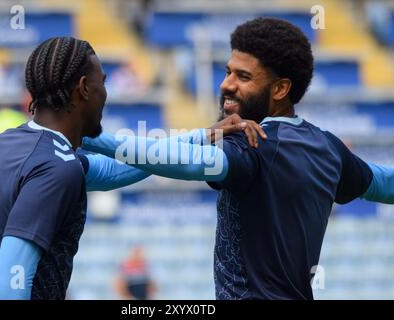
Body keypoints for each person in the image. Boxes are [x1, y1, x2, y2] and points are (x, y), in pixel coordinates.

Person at [81, 18, 394, 300]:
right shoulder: (328, 147)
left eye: (243, 77)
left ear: (281, 88)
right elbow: (383, 183)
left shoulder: (251, 142)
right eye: (227, 71)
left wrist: (86, 134)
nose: (226, 84)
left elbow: (185, 162)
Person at [0, 36, 262, 300]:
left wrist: (204, 134)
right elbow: (6, 284)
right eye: (102, 83)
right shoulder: (55, 169)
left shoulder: (8, 143)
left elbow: (116, 169)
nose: (106, 94)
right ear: (84, 87)